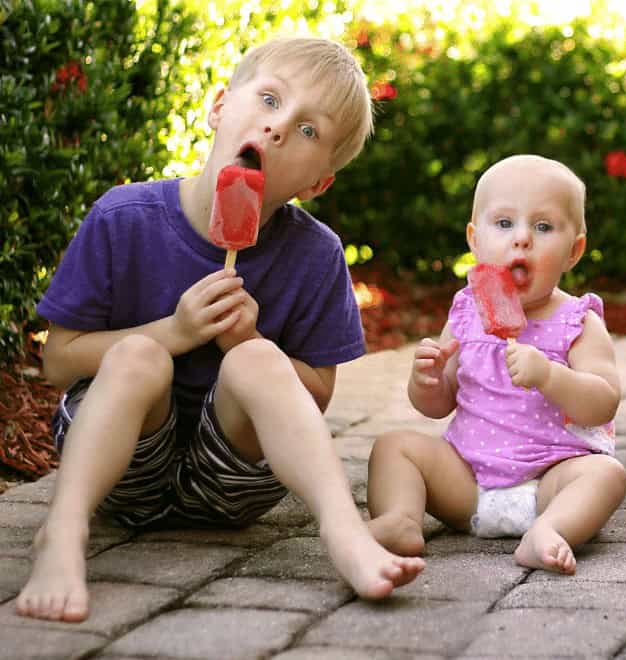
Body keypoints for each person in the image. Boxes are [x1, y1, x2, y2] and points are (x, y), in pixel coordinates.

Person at [16, 37, 425, 623]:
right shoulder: (121, 217)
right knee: (139, 356)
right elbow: (57, 361)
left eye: (310, 131)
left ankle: (346, 534)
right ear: (218, 107)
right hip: (120, 470)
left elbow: (316, 395)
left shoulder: (316, 255)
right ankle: (62, 533)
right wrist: (174, 331)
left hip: (231, 486)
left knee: (257, 362)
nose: (279, 127)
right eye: (268, 99)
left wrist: (247, 343)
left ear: (318, 184)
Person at [366, 154, 626, 575]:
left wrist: (549, 375)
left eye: (543, 227)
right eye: (504, 224)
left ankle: (549, 531)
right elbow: (439, 403)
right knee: (392, 448)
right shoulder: (467, 312)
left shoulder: (578, 321)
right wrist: (427, 381)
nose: (521, 238)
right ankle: (401, 519)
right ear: (474, 239)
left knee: (607, 475)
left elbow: (604, 402)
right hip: (466, 483)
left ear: (574, 250)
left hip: (550, 482)